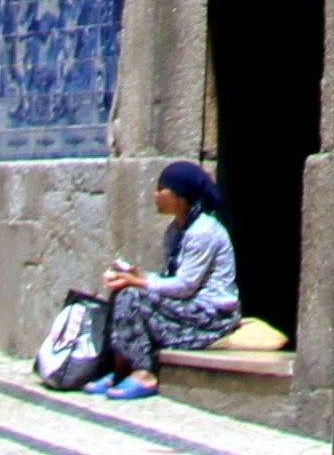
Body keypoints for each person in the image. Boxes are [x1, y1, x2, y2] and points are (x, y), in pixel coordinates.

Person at [68, 160, 250, 391]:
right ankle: (121, 370)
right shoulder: (175, 231)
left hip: (211, 317)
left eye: (161, 189)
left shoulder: (203, 231)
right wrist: (136, 275)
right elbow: (170, 278)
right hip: (187, 307)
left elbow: (185, 286)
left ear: (179, 197)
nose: (155, 195)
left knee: (133, 296)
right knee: (124, 293)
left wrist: (139, 281)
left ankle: (144, 373)